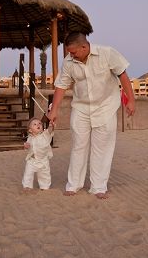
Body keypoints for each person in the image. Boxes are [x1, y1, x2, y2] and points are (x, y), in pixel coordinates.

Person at [46, 32, 136, 199]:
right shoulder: (69, 61)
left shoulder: (107, 53)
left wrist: (131, 100)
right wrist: (54, 110)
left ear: (84, 47)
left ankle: (98, 187)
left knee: (102, 148)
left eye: (73, 52)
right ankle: (74, 185)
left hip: (105, 107)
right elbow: (61, 85)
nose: (70, 55)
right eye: (68, 52)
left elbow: (122, 74)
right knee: (78, 146)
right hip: (80, 108)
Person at [22, 117, 54, 192]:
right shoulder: (30, 138)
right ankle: (27, 186)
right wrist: (26, 146)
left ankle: (44, 186)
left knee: (44, 174)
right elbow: (28, 147)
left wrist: (51, 126)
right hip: (32, 160)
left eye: (40, 123)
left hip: (43, 160)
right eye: (35, 124)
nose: (38, 125)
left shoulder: (45, 135)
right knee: (28, 174)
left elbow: (49, 131)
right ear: (30, 130)